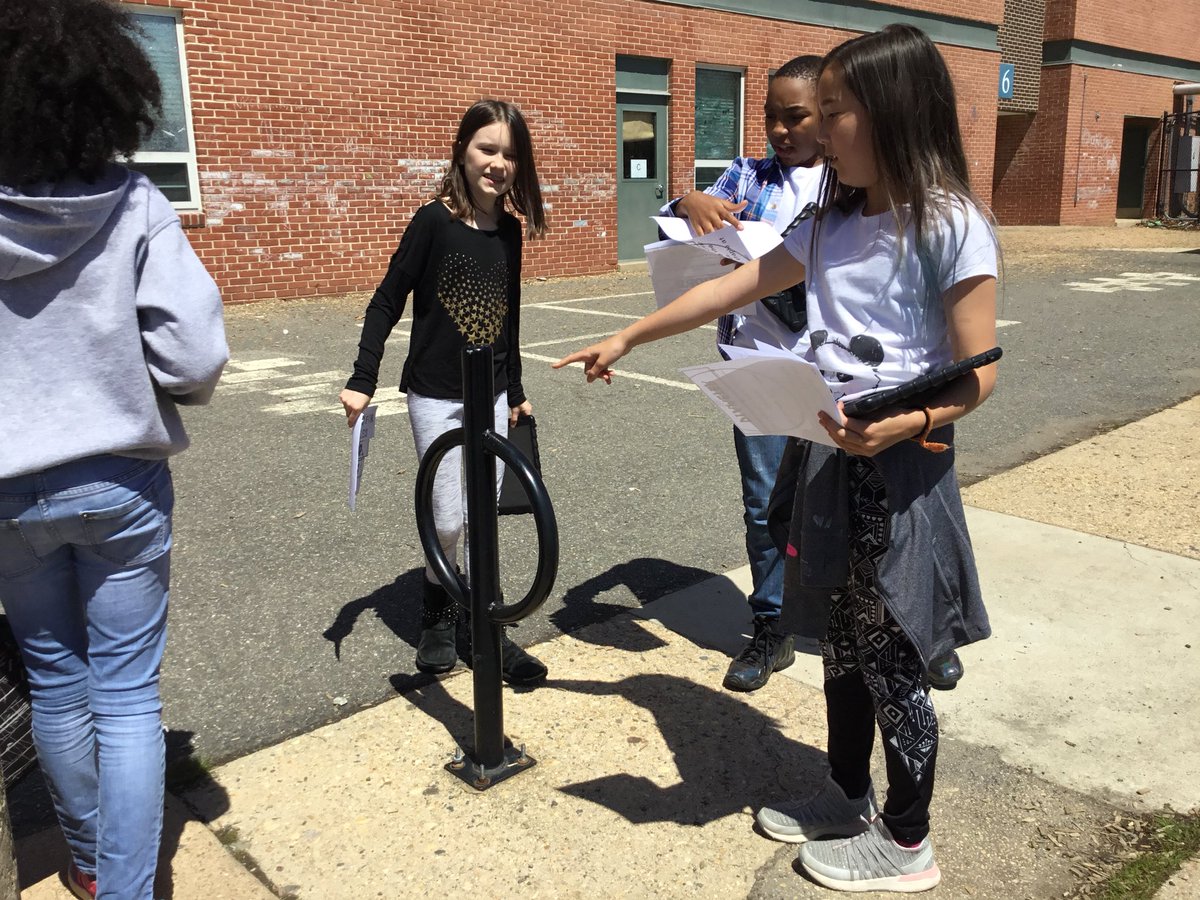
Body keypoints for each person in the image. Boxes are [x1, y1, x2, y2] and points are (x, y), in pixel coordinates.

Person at [556, 23, 997, 893]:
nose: (821, 128)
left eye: (836, 110)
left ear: (894, 112)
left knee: (894, 653)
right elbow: (737, 284)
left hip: (901, 471)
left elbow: (981, 374)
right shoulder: (828, 219)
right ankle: (845, 795)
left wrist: (906, 425)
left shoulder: (951, 226)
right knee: (838, 639)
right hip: (824, 453)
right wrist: (631, 332)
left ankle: (908, 843)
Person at [0, 1, 229, 897]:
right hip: (120, 482)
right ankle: (129, 888)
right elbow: (196, 355)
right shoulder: (134, 202)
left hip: (8, 493)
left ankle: (90, 866)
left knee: (58, 685)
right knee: (128, 696)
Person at [339, 100, 549, 686]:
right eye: (487, 148)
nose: (498, 163)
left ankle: (488, 632)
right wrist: (362, 378)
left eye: (510, 154)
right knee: (450, 518)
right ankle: (439, 611)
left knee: (484, 517)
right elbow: (387, 299)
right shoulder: (432, 221)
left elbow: (507, 319)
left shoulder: (509, 231)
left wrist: (517, 389)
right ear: (462, 150)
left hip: (493, 393)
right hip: (434, 394)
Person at [659, 55, 824, 693]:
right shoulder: (749, 175)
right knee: (765, 507)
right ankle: (773, 626)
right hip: (753, 364)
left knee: (852, 502)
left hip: (832, 369)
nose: (781, 131)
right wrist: (692, 198)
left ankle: (892, 622)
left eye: (796, 116)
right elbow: (683, 210)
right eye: (770, 118)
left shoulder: (848, 183)